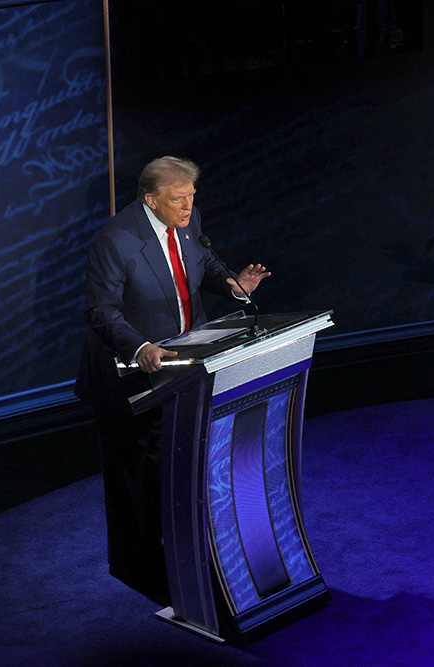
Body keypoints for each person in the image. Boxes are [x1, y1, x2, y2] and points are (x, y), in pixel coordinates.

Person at [74, 156, 269, 604]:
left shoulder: (188, 217)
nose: (189, 206)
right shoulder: (116, 241)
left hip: (183, 363)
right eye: (179, 199)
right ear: (151, 200)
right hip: (127, 374)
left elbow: (203, 256)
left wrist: (232, 283)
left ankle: (181, 549)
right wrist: (140, 348)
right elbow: (100, 311)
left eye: (192, 197)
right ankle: (134, 566)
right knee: (133, 475)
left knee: (176, 462)